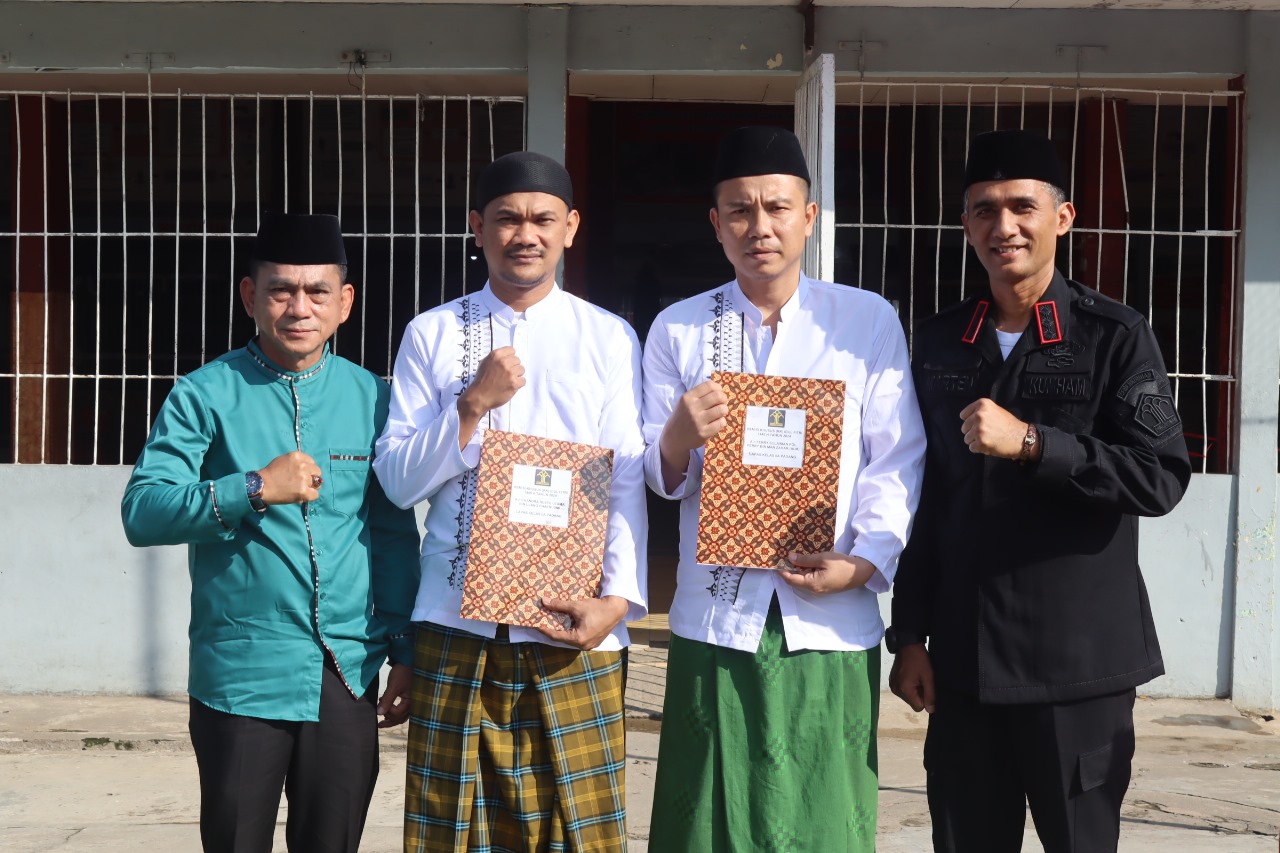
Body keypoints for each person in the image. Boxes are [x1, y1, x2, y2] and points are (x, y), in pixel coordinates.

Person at [887, 129, 1193, 853]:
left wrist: (1034, 444)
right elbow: (922, 498)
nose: (1005, 226)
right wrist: (910, 636)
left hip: (1076, 669)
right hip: (965, 668)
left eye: (1023, 206)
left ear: (1063, 217)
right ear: (967, 226)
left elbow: (1160, 475)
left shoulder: (1113, 336)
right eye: (985, 210)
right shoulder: (939, 342)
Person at [642, 126, 926, 852]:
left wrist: (864, 562)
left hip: (829, 615)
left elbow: (895, 456)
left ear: (810, 216)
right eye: (739, 210)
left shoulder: (864, 321)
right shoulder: (679, 329)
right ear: (716, 223)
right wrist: (676, 437)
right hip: (716, 614)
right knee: (707, 816)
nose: (759, 226)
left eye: (776, 207)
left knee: (822, 814)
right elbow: (660, 478)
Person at [372, 151, 648, 852]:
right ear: (477, 228)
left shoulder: (607, 336)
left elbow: (623, 477)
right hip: (455, 618)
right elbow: (398, 481)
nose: (525, 234)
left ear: (570, 228)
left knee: (578, 830)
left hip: (573, 621)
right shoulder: (433, 333)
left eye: (542, 219)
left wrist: (618, 601)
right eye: (507, 219)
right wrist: (470, 405)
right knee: (451, 828)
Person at [120, 213, 422, 853]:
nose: (298, 308)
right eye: (281, 290)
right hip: (242, 671)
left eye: (317, 292)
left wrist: (405, 647)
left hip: (345, 668)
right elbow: (143, 511)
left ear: (345, 302)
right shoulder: (204, 394)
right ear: (249, 295)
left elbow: (392, 532)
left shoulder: (373, 398)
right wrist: (253, 487)